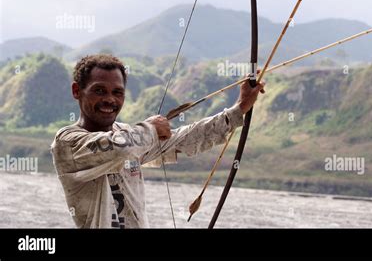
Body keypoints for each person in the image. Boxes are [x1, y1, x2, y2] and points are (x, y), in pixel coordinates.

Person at [51, 54, 265, 228]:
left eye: (118, 92)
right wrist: (151, 129)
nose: (109, 99)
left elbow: (184, 139)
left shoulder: (130, 135)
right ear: (77, 91)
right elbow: (119, 149)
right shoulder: (68, 143)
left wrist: (239, 108)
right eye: (99, 90)